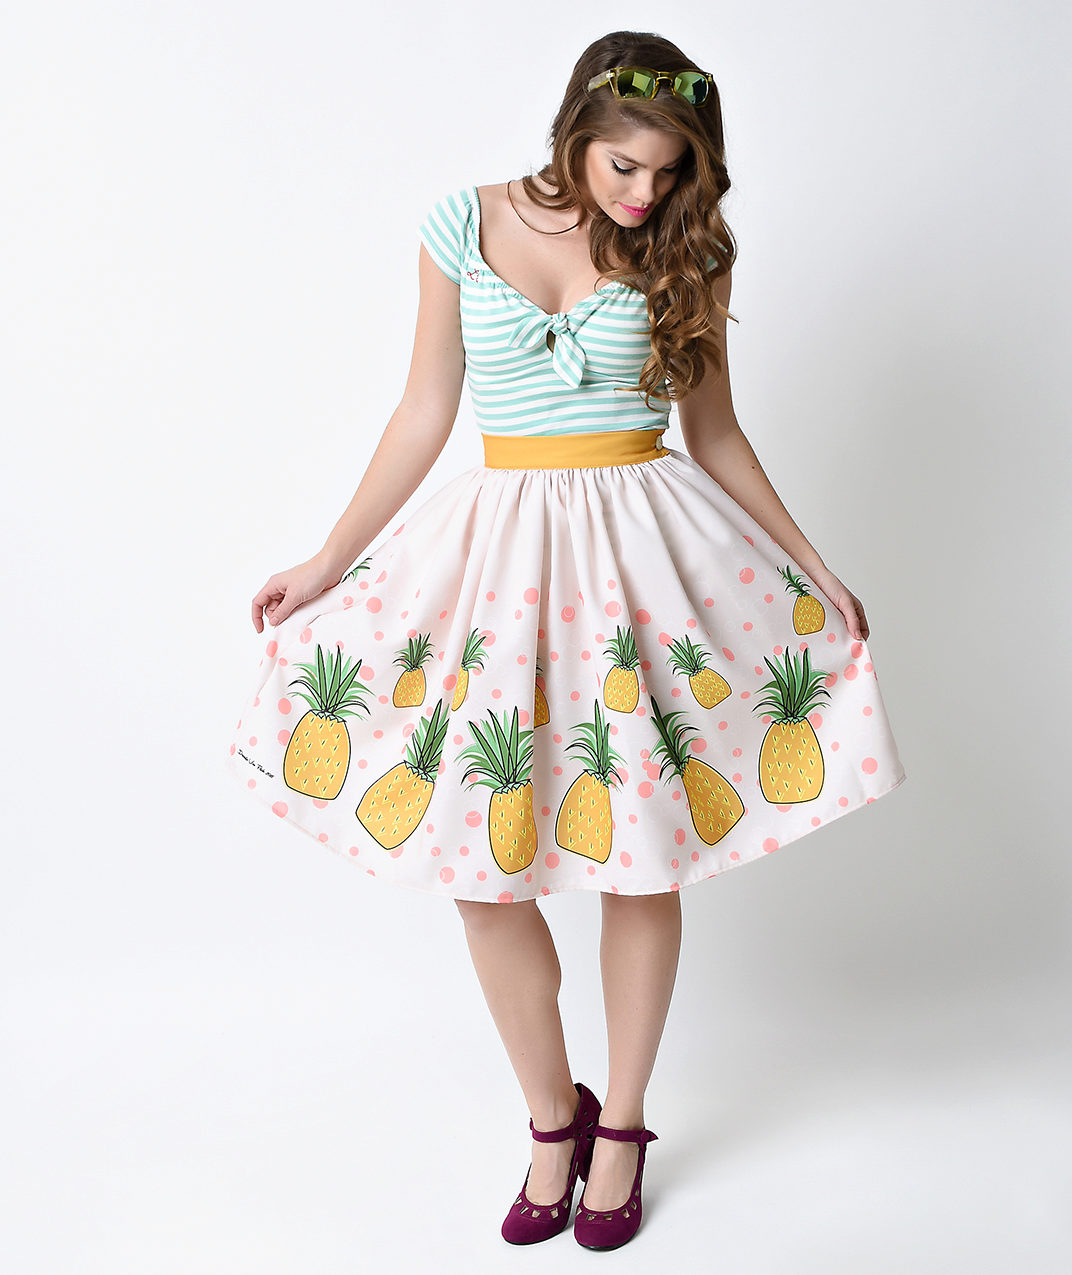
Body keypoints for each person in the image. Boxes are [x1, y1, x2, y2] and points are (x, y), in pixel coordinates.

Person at [224, 29, 906, 1252]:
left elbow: (716, 431)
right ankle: (554, 1117)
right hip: (498, 567)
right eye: (625, 166)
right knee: (485, 872)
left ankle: (624, 1125)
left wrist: (815, 567)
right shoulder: (461, 222)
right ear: (575, 133)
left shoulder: (686, 248)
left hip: (640, 565)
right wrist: (327, 560)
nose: (645, 193)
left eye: (670, 173)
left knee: (640, 861)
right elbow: (423, 410)